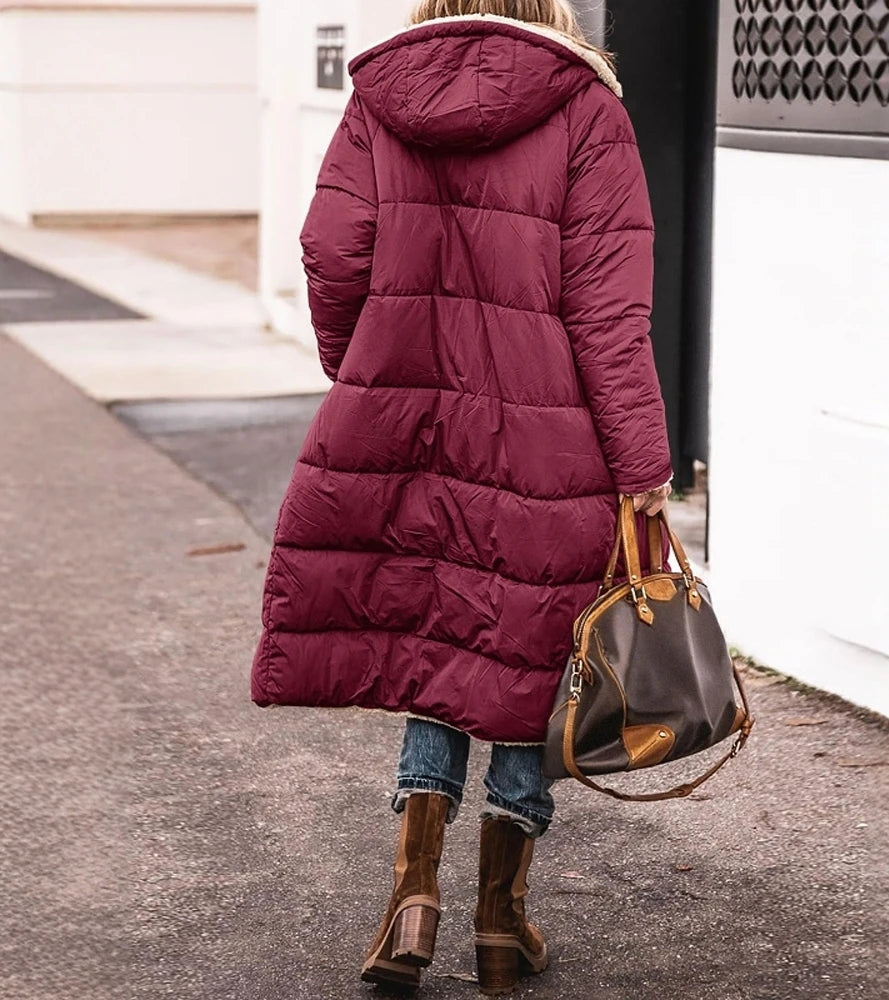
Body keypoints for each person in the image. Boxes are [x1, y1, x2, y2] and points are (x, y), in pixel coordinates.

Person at [251, 0, 673, 993]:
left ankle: (411, 897)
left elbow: (328, 251)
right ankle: (498, 917)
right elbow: (609, 312)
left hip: (413, 423)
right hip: (548, 434)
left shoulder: (379, 98)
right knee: (529, 652)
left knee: (436, 642)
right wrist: (642, 466)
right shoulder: (583, 104)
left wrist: (365, 368)